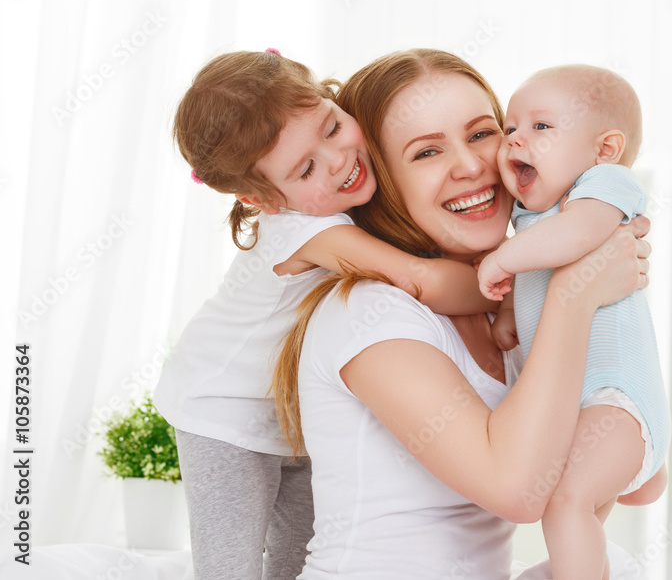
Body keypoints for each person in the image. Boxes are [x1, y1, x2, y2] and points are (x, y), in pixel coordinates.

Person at [270, 49, 653, 579]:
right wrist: (576, 292)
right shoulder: (371, 314)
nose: (471, 166)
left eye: (482, 134)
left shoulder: (509, 301)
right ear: (385, 183)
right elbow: (518, 492)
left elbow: (633, 485)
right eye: (426, 153)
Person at [153, 49, 496, 580]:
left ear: (330, 97)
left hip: (290, 411)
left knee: (298, 555)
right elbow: (420, 280)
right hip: (220, 410)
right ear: (264, 199)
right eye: (307, 167)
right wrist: (520, 280)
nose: (337, 159)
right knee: (229, 567)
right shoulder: (308, 229)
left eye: (332, 127)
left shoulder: (335, 201)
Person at [477, 64, 670, 579]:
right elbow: (547, 274)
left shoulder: (603, 187)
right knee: (577, 510)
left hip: (615, 400)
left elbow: (577, 236)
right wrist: (506, 316)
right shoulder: (530, 219)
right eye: (510, 127)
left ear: (604, 148)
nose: (516, 138)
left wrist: (500, 262)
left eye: (541, 127)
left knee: (565, 506)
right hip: (581, 410)